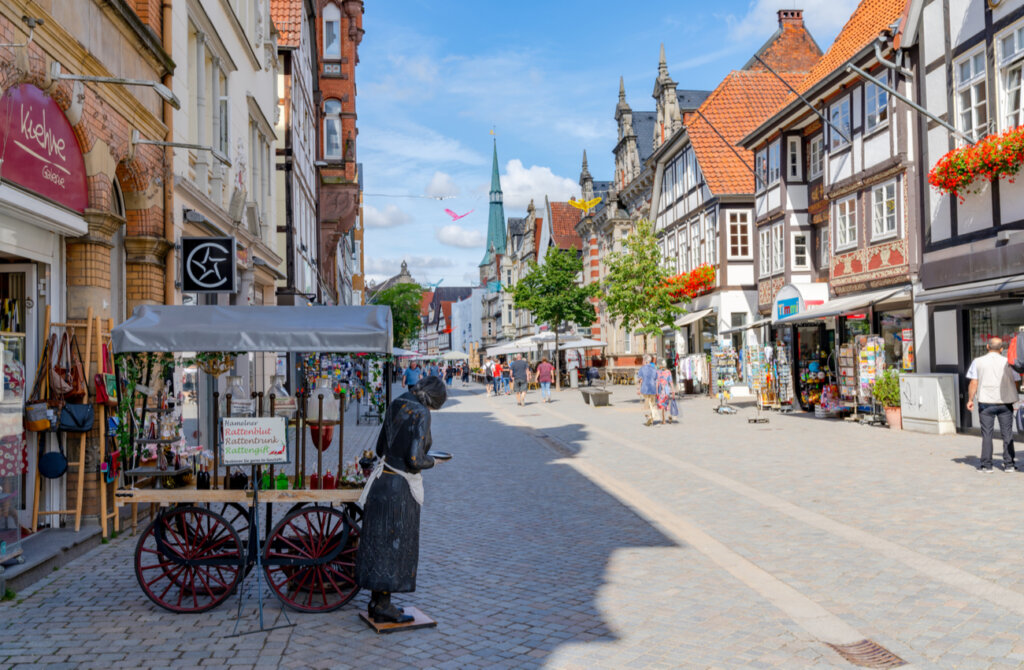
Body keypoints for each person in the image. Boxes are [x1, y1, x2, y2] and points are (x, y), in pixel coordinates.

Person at [355, 376, 447, 623]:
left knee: (379, 543)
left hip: (381, 482)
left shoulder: (397, 403)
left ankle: (376, 601)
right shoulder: (421, 414)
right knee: (395, 545)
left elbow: (380, 448)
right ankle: (384, 606)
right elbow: (415, 459)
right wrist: (434, 461)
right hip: (400, 490)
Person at [966, 337, 1021, 472]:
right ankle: (1009, 464)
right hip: (1005, 402)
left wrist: (970, 399)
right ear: (1002, 349)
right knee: (1007, 433)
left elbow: (974, 382)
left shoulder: (977, 361)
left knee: (987, 434)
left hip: (986, 402)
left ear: (987, 347)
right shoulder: (1009, 362)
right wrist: (1013, 395)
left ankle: (987, 465)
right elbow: (1017, 380)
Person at [636, 354, 659, 426]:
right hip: (653, 388)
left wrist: (638, 389)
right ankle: (651, 418)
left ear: (645, 361)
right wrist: (657, 390)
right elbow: (656, 380)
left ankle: (653, 417)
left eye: (643, 360)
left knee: (649, 404)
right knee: (652, 404)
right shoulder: (654, 369)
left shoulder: (642, 369)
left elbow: (640, 380)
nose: (642, 361)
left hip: (645, 389)